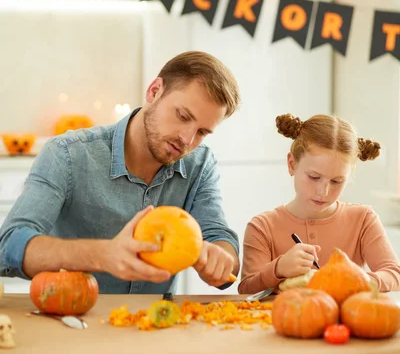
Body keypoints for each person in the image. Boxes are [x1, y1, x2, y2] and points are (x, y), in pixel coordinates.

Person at [0, 51, 240, 294]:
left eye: (202, 132)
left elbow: (219, 237)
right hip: (75, 321)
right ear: (154, 91)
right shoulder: (67, 154)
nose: (187, 140)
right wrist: (103, 255)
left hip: (158, 324)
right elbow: (8, 245)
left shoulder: (199, 164)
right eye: (182, 116)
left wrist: (220, 258)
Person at [239, 113, 400, 294]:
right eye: (314, 177)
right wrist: (277, 269)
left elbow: (394, 275)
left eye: (336, 181)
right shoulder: (262, 227)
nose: (323, 192)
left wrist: (354, 281)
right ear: (292, 164)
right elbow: (246, 289)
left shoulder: (363, 220)